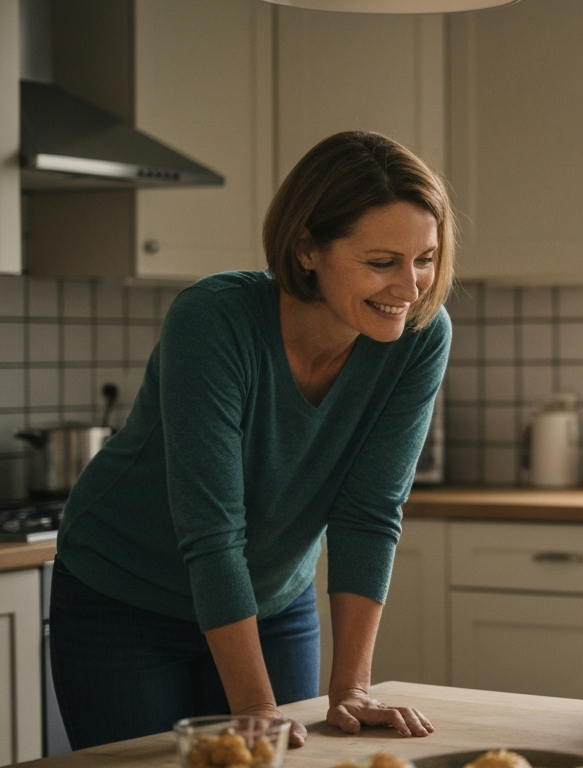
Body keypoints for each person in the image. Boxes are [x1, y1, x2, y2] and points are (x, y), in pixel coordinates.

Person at [50, 131, 455, 749]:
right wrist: (258, 706)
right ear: (307, 249)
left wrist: (351, 690)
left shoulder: (420, 335)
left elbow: (370, 514)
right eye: (381, 262)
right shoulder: (214, 320)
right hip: (124, 597)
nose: (411, 286)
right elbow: (212, 531)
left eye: (425, 257)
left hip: (271, 601)